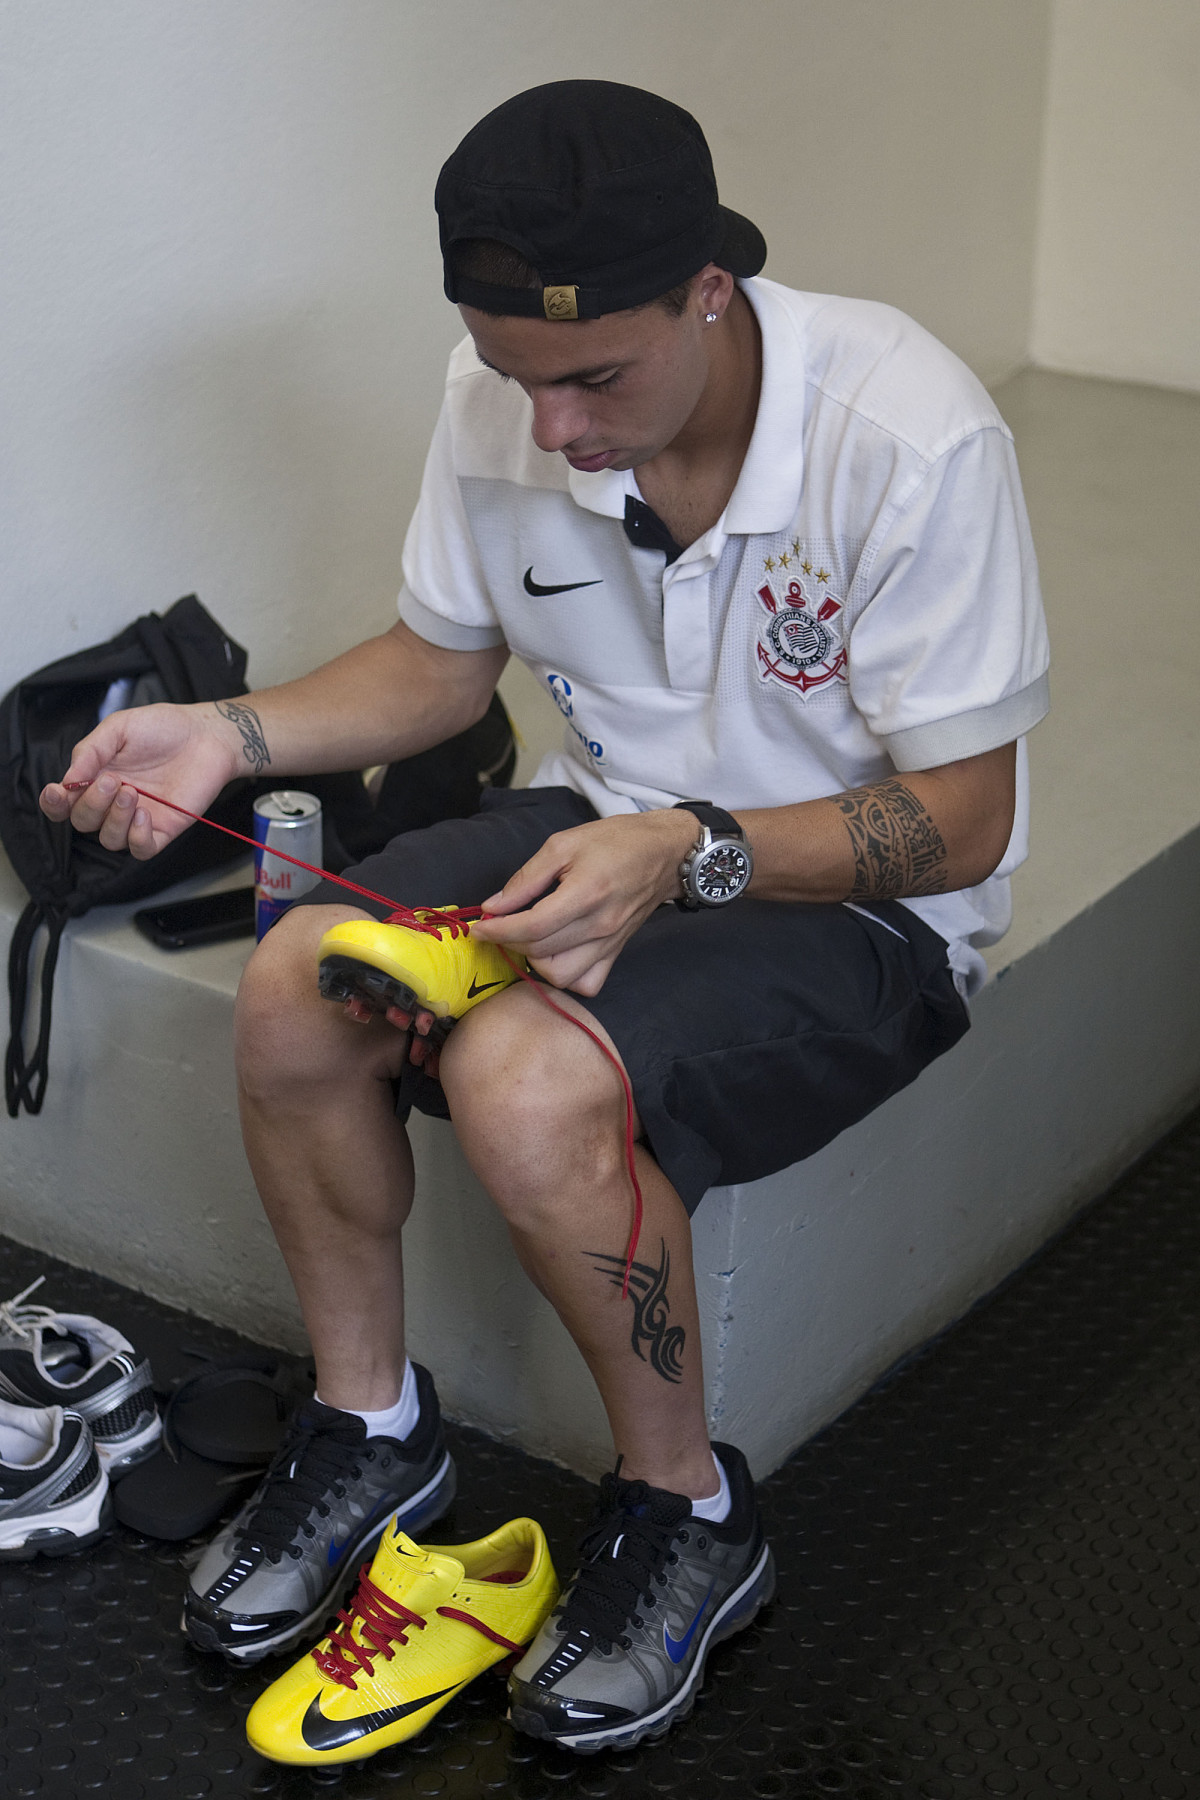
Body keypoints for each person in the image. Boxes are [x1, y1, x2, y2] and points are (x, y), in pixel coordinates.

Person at [40, 80, 1049, 1757]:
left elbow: (964, 824)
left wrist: (693, 848)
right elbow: (443, 665)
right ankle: (374, 1431)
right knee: (299, 975)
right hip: (606, 820)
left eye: (595, 379)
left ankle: (687, 1511)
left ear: (709, 293)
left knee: (521, 1072)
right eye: (519, 379)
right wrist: (230, 733)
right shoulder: (504, 392)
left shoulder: (909, 435)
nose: (555, 429)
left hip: (864, 909)